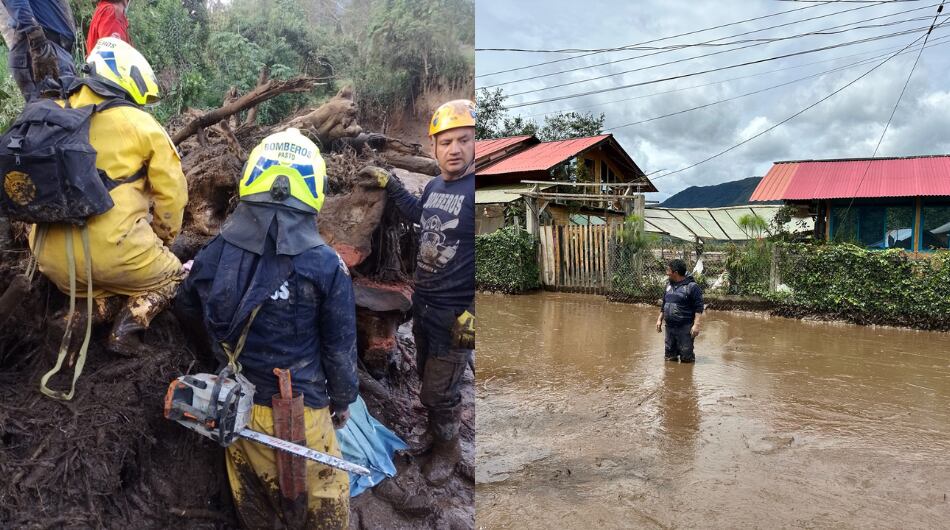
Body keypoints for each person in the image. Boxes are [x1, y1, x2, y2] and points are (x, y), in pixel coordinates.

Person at [175, 128, 358, 529]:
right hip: (303, 412)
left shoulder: (216, 250)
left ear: (252, 180)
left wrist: (213, 354)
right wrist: (343, 400)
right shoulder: (326, 265)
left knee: (254, 502)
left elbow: (186, 303)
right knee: (324, 508)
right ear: (313, 190)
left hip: (234, 406)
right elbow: (339, 347)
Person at [30, 37, 186, 356]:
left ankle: (74, 319)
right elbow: (173, 196)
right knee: (173, 277)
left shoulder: (49, 111)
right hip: (116, 253)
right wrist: (163, 239)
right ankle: (126, 329)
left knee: (105, 283)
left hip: (51, 260)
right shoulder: (141, 124)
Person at [358, 99, 475, 485]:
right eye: (446, 142)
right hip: (425, 306)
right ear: (434, 147)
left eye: (464, 140)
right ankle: (433, 434)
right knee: (428, 376)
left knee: (442, 389)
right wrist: (391, 184)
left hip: (460, 315)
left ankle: (449, 450)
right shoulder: (436, 186)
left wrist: (473, 317)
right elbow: (417, 214)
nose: (454, 149)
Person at [2, 0, 78, 100]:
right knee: (58, 106)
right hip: (41, 48)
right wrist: (37, 40)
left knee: (71, 104)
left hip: (55, 49)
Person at [656, 258, 704, 363]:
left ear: (675, 273)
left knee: (686, 359)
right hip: (670, 327)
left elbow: (699, 307)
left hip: (685, 328)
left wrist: (696, 325)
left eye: (668, 270)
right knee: (669, 358)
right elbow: (664, 304)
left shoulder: (692, 287)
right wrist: (659, 319)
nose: (667, 273)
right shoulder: (669, 286)